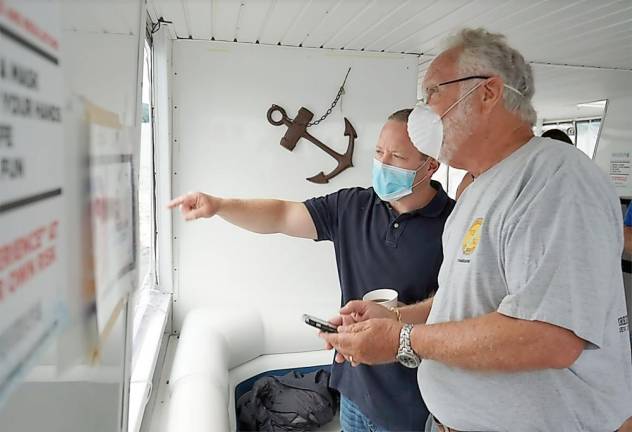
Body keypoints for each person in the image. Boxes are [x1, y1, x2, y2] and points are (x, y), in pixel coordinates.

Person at [321, 27, 632, 432]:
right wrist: (396, 316)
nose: (423, 112)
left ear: (487, 93)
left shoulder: (556, 178)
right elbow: (470, 301)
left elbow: (551, 336)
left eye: (433, 91)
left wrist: (402, 341)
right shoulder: (477, 187)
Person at [168, 109, 456, 431]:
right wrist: (220, 206)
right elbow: (280, 215)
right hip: (353, 392)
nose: (383, 164)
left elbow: (459, 307)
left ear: (431, 165)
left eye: (397, 156)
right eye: (378, 152)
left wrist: (397, 317)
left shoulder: (456, 224)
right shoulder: (352, 206)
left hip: (411, 405)